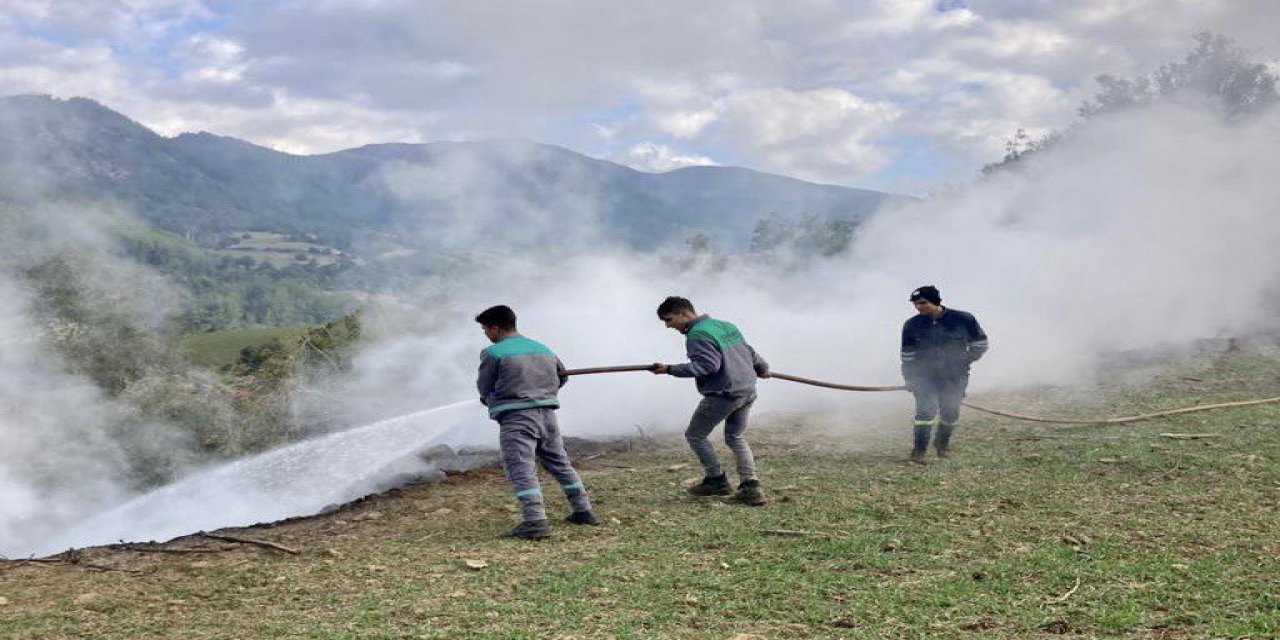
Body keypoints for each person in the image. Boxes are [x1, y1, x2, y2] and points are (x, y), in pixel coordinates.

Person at [475, 305, 597, 539]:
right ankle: (583, 510)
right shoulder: (543, 348)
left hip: (517, 418)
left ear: (495, 328)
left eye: (485, 329)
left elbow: (485, 387)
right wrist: (541, 392)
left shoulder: (493, 352)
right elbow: (562, 376)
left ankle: (535, 521)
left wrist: (492, 398)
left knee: (520, 467)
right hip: (547, 415)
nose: (486, 334)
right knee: (560, 463)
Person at [650, 296, 770, 505]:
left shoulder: (697, 334)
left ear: (683, 313)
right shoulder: (724, 325)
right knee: (735, 437)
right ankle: (751, 486)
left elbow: (707, 366)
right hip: (747, 390)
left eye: (669, 320)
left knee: (695, 435)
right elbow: (749, 351)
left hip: (725, 394)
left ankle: (716, 480)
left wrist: (669, 369)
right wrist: (762, 367)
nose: (668, 326)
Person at [900, 286, 989, 463]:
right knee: (925, 412)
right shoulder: (911, 325)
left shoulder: (963, 319)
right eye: (915, 304)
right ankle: (919, 451)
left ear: (935, 301)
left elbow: (980, 344)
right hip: (924, 377)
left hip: (955, 376)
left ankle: (942, 444)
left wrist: (963, 360)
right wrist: (910, 379)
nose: (918, 307)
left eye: (922, 303)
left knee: (950, 411)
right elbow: (907, 356)